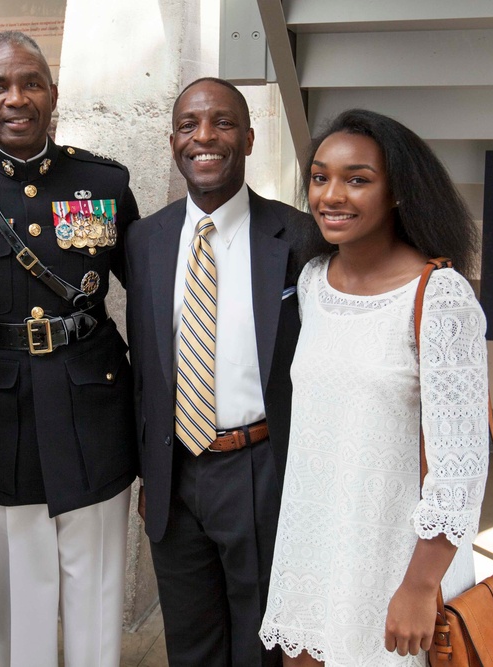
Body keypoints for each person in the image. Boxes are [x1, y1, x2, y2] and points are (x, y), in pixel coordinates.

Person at [0, 30, 139, 667]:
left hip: (93, 405)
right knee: (21, 595)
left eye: (30, 83)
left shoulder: (102, 181)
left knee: (96, 589)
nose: (15, 99)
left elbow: (151, 300)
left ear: (53, 93)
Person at [258, 109, 489, 666]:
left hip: (396, 560)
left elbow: (461, 467)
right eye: (320, 177)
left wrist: (417, 587)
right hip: (315, 548)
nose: (331, 195)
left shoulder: (440, 297)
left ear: (398, 194)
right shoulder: (314, 282)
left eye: (357, 179)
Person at [125, 77, 318, 667]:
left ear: (250, 138)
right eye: (189, 125)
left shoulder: (299, 236)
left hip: (259, 470)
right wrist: (148, 473)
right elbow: (146, 367)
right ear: (173, 140)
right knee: (191, 644)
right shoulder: (144, 239)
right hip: (175, 477)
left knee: (260, 641)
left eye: (223, 123)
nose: (204, 137)